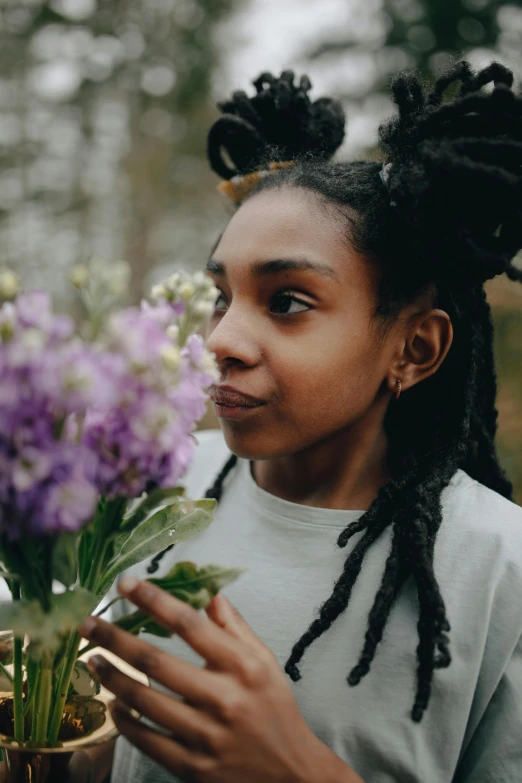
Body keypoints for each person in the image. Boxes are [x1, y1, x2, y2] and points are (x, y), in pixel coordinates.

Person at [76, 61, 522, 783]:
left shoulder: (501, 569)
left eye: (286, 301)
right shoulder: (152, 475)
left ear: (415, 348)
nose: (221, 339)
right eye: (223, 296)